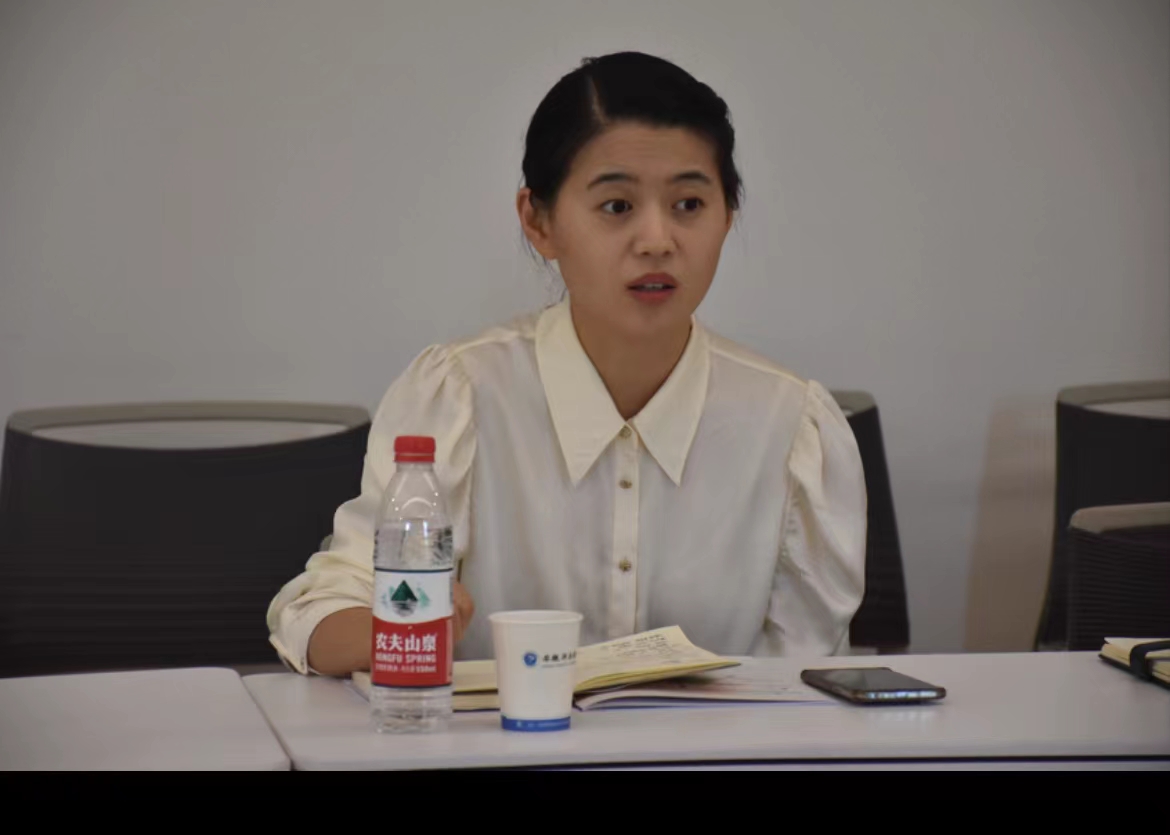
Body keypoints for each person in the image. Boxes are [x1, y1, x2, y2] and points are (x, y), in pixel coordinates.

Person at [267, 51, 867, 676]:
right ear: (539, 221)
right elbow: (323, 609)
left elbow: (803, 685)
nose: (657, 241)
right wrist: (399, 627)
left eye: (689, 204)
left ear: (727, 216)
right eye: (617, 206)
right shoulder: (459, 396)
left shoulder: (791, 427)